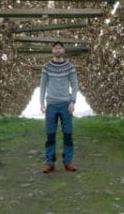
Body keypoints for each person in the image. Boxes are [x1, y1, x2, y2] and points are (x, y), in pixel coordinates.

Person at [39, 41, 79, 173]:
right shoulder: (46, 67)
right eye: (55, 48)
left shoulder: (70, 66)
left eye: (60, 48)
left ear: (63, 50)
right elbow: (43, 85)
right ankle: (50, 162)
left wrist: (73, 101)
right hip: (51, 105)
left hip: (66, 105)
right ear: (52, 51)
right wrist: (42, 103)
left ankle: (68, 161)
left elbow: (74, 84)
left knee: (68, 134)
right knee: (50, 135)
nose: (58, 50)